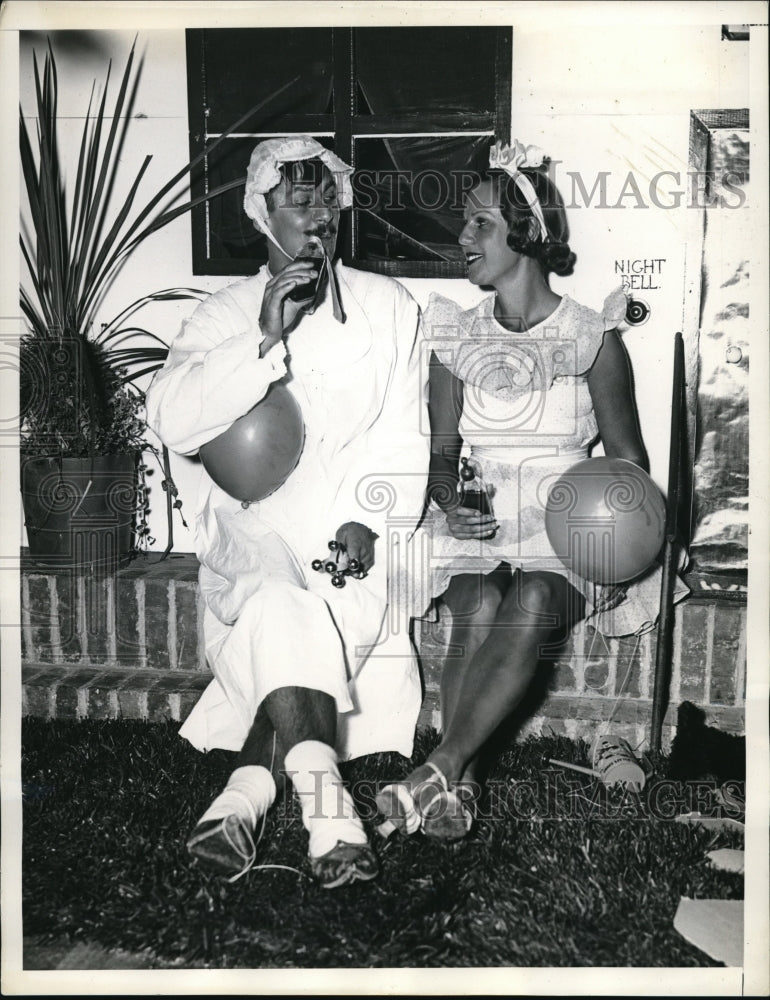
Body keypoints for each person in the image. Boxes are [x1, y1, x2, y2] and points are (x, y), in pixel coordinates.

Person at [375, 140, 686, 842]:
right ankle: (460, 786)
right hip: (480, 522)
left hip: (568, 526)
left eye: (478, 225)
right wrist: (450, 500)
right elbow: (444, 454)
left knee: (538, 596)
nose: (461, 239)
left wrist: (612, 531)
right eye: (465, 224)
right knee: (478, 598)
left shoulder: (592, 338)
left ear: (527, 233)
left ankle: (440, 765)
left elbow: (629, 464)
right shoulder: (454, 339)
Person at [146, 136, 429, 888]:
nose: (319, 213)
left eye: (327, 196)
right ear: (259, 210)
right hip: (256, 524)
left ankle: (245, 796)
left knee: (296, 615)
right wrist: (264, 336)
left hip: (353, 536)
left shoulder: (388, 307)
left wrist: (372, 517)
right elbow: (172, 419)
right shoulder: (222, 315)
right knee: (272, 595)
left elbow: (405, 431)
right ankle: (328, 810)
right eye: (296, 198)